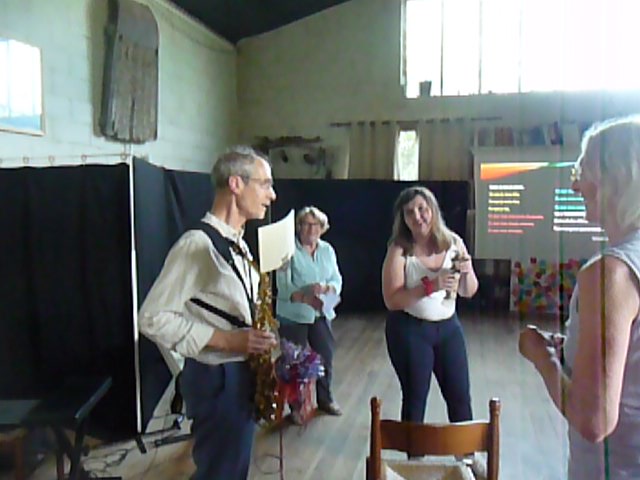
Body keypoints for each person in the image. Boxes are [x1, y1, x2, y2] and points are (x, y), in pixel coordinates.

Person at [138, 146, 277, 480]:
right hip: (219, 379)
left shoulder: (237, 242)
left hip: (238, 374)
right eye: (265, 184)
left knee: (232, 469)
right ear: (235, 184)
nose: (272, 195)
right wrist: (228, 340)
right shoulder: (196, 245)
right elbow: (152, 318)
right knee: (220, 472)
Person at [519, 118, 640, 479]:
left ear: (616, 178)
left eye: (582, 172)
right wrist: (575, 350)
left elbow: (593, 419)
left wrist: (542, 356)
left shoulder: (610, 272)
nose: (574, 185)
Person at [381, 186, 478, 426]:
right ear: (403, 219)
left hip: (448, 328)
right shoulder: (399, 249)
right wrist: (431, 286)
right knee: (415, 400)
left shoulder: (453, 242)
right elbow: (392, 300)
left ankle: (465, 449)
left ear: (432, 210)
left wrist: (467, 272)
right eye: (409, 212)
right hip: (410, 330)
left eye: (422, 209)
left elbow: (468, 291)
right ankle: (412, 450)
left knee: (460, 398)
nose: (417, 216)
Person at [276, 206, 343, 419]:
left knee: (326, 357)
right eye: (306, 224)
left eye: (316, 225)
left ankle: (325, 399)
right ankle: (296, 407)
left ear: (323, 228)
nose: (311, 229)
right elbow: (283, 287)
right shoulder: (287, 250)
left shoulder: (327, 250)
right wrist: (306, 296)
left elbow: (337, 279)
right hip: (293, 314)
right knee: (293, 361)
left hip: (321, 313)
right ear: (298, 227)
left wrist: (327, 287)